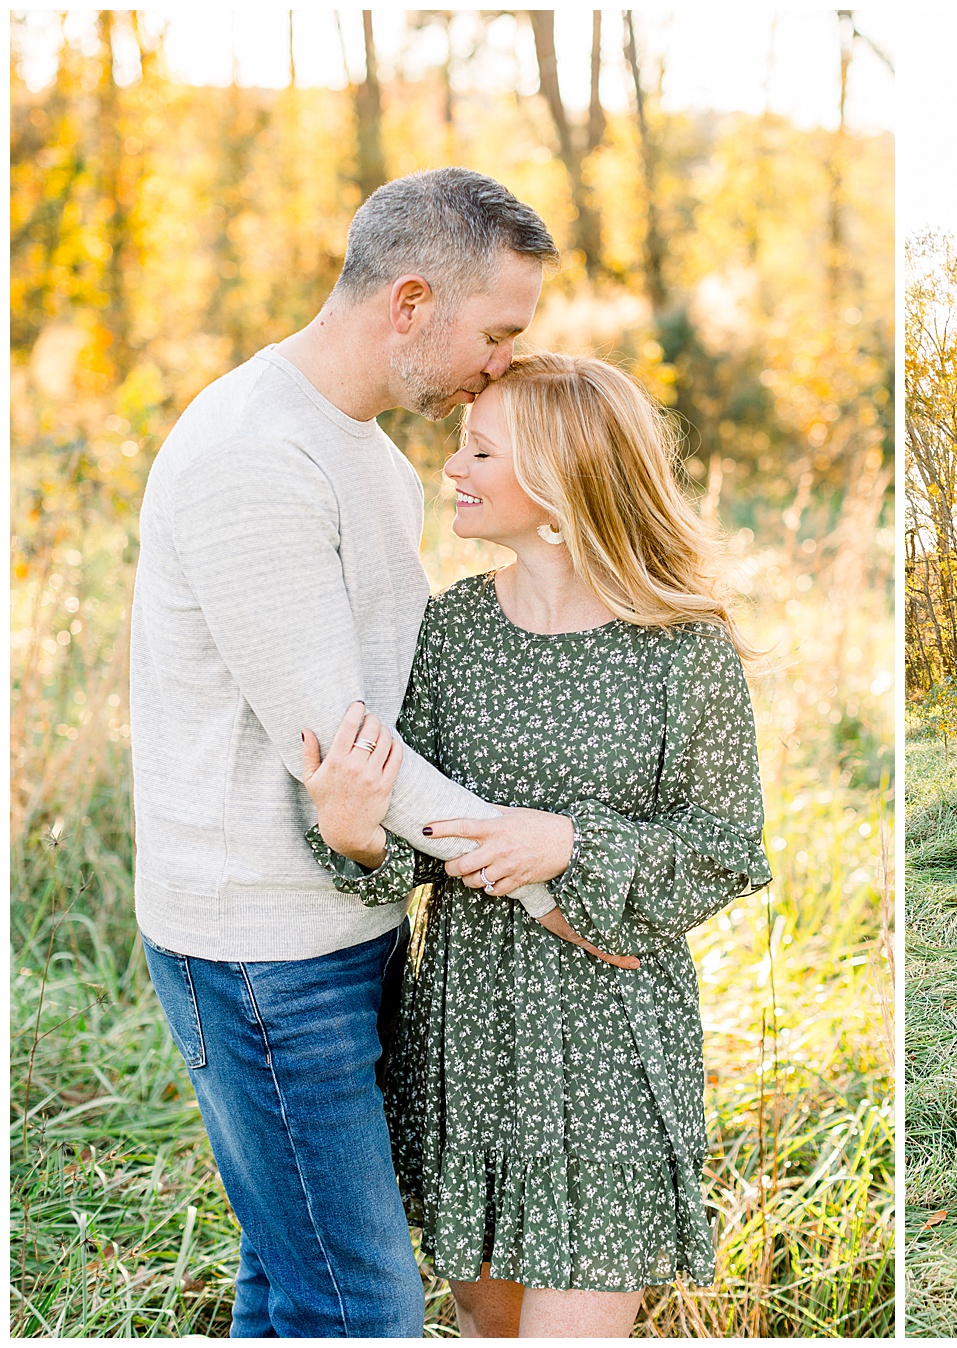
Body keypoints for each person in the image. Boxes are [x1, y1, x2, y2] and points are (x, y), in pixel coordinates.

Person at [130, 169, 610, 1337]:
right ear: (409, 302)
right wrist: (560, 884)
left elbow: (400, 722)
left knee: (291, 1276)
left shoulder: (374, 457)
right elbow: (354, 753)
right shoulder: (252, 455)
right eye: (497, 332)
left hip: (348, 917)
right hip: (259, 952)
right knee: (362, 1306)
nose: (503, 364)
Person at [300, 351, 771, 1338]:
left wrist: (566, 841)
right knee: (488, 1325)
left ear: (561, 474)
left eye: (480, 449)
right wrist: (352, 838)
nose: (452, 469)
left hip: (611, 1039)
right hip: (468, 1035)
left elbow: (726, 847)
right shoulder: (452, 630)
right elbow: (406, 834)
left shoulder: (683, 647)